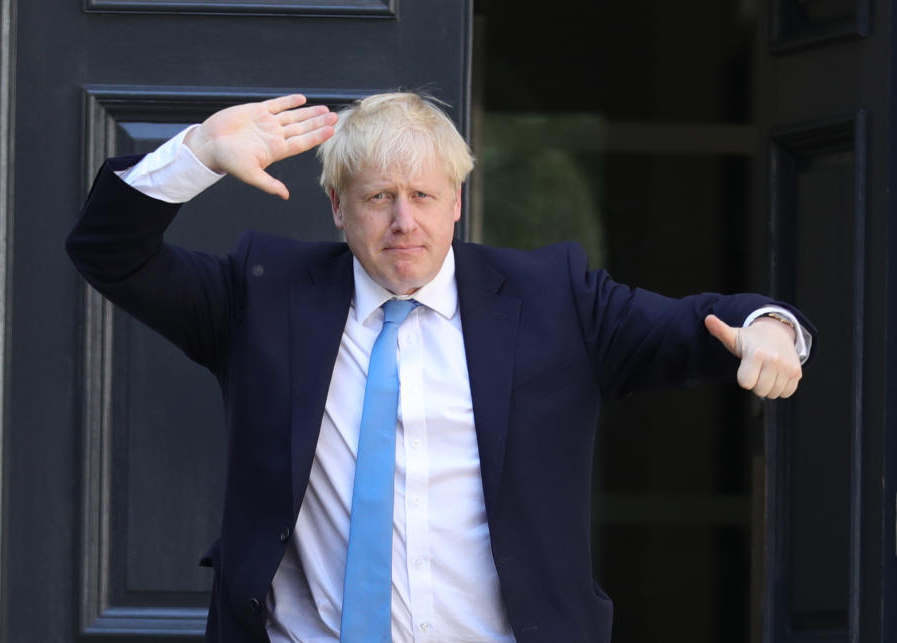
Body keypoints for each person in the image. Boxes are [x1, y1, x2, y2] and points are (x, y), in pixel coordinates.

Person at [66, 92, 814, 643]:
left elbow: (697, 323)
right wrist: (194, 150)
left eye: (424, 196)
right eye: (379, 198)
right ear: (336, 205)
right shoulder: (261, 294)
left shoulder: (555, 301)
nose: (405, 223)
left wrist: (770, 327)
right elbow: (108, 252)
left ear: (457, 202)